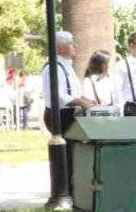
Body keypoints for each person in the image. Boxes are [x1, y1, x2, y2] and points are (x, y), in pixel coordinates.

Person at [40, 31, 97, 196]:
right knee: (64, 153)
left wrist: (86, 99)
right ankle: (62, 192)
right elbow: (58, 94)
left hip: (70, 113)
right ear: (62, 48)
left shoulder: (67, 66)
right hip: (59, 115)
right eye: (72, 44)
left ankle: (72, 189)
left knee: (73, 152)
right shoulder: (52, 67)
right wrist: (80, 102)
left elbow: (73, 92)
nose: (76, 46)